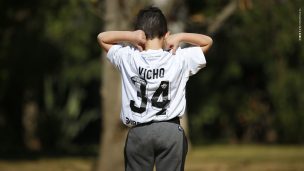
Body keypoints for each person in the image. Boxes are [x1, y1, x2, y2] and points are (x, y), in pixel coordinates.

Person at [97, 6, 212, 171]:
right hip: (171, 131)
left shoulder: (128, 58)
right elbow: (207, 41)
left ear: (140, 33)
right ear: (166, 35)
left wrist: (131, 36)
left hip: (139, 132)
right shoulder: (178, 58)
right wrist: (180, 37)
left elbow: (102, 38)